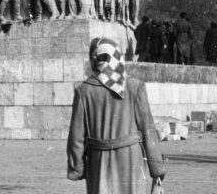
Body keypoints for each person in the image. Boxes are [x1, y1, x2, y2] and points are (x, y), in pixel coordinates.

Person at [67, 37, 166, 193]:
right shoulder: (134, 86)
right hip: (130, 159)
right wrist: (157, 169)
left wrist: (77, 168)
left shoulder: (84, 91)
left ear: (95, 58)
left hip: (98, 161)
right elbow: (148, 130)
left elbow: (76, 137)